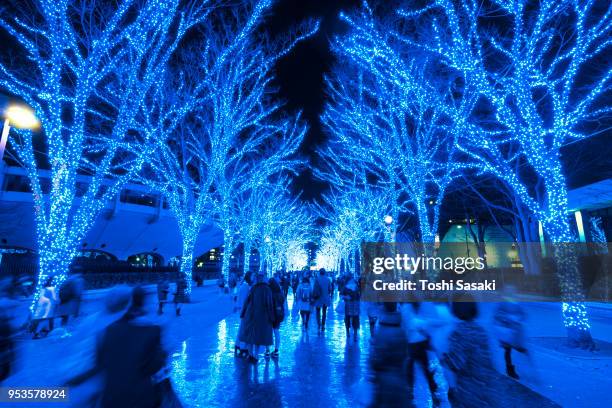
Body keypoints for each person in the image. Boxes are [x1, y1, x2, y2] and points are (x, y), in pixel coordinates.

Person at [95, 287, 172, 408]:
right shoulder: (152, 330)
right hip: (139, 399)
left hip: (109, 399)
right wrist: (164, 351)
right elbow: (155, 367)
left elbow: (100, 363)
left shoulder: (107, 330)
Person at [444, 300, 499, 408]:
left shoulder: (460, 332)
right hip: (487, 385)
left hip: (470, 390)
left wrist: (443, 356)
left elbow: (454, 364)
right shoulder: (480, 330)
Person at [368, 302, 410, 407]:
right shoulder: (402, 330)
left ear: (384, 308)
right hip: (400, 381)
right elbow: (406, 356)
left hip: (384, 384)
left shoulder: (381, 332)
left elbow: (376, 361)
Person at [239, 273, 275, 363]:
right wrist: (272, 317)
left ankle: (251, 354)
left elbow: (247, 302)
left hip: (252, 315)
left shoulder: (253, 288)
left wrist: (243, 313)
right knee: (259, 337)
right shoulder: (267, 289)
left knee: (252, 335)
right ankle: (256, 355)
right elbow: (269, 304)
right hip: (263, 317)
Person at [493, 288, 527, 379]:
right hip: (506, 332)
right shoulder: (502, 304)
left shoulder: (516, 303)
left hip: (515, 332)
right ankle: (509, 370)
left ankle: (518, 349)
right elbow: (497, 315)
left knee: (512, 348)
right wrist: (507, 318)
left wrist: (518, 318)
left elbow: (523, 315)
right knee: (508, 350)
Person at [235, 273, 252, 357]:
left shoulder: (244, 285)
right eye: (252, 276)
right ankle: (242, 347)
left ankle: (238, 344)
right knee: (244, 328)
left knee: (241, 327)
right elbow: (245, 300)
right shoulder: (245, 287)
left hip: (242, 309)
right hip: (244, 310)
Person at [268, 278, 285, 358]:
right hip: (278, 315)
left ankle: (267, 350)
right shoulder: (280, 292)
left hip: (270, 315)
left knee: (268, 332)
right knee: (276, 332)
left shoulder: (269, 293)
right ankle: (276, 350)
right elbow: (283, 302)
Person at [313, 268, 332, 333]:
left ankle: (318, 324)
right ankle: (323, 325)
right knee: (324, 312)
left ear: (319, 272)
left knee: (317, 312)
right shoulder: (328, 279)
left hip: (318, 298)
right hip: (325, 298)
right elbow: (330, 289)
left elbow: (314, 289)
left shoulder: (317, 279)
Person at [342, 276, 360, 341]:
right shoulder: (356, 287)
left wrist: (346, 297)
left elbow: (342, 295)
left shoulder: (345, 287)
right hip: (355, 305)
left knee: (347, 318)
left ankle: (348, 332)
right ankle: (355, 334)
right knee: (355, 318)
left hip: (348, 304)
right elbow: (359, 296)